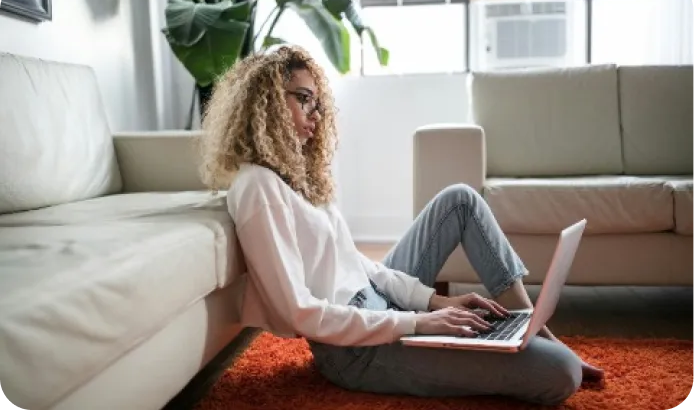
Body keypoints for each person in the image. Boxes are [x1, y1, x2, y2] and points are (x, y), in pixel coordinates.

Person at [199, 45, 604, 406]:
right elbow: (299, 312)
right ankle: (535, 344)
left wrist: (433, 303)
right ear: (266, 102)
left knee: (459, 200)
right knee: (561, 373)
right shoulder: (258, 187)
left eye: (317, 103)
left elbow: (357, 264)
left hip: (378, 304)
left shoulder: (295, 175)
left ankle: (530, 326)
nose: (315, 115)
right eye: (303, 99)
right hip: (353, 350)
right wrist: (416, 322)